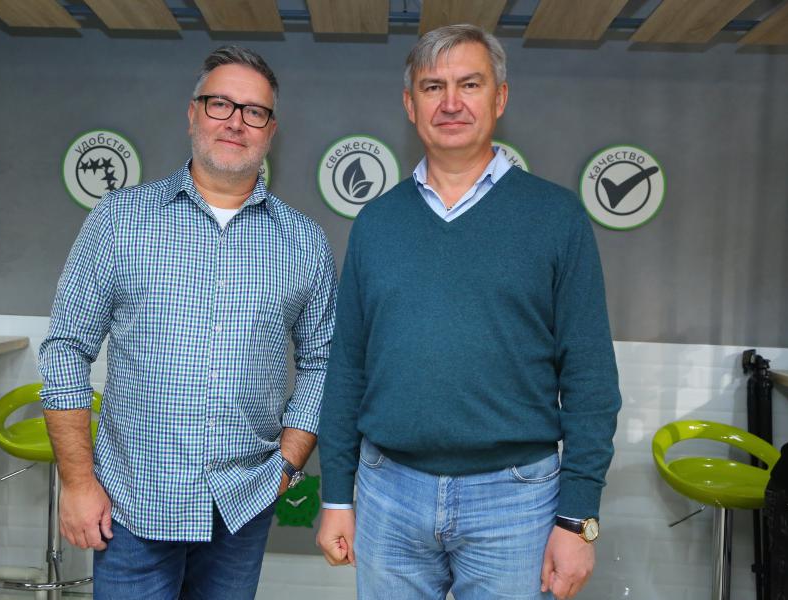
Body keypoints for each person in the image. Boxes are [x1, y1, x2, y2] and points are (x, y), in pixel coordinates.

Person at [316, 25, 621, 600]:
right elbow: (347, 367)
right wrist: (336, 494)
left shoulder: (556, 217)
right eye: (433, 87)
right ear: (410, 105)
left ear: (499, 98)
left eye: (469, 84)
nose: (450, 103)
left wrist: (578, 516)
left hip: (517, 501)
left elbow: (591, 377)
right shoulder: (377, 223)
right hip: (388, 493)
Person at [39, 45, 337, 600]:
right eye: (220, 104)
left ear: (271, 131)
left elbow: (324, 362)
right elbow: (65, 348)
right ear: (193, 113)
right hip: (132, 505)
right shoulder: (120, 220)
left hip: (242, 506)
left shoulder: (303, 241)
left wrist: (288, 463)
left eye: (254, 111)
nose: (236, 122)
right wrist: (77, 483)